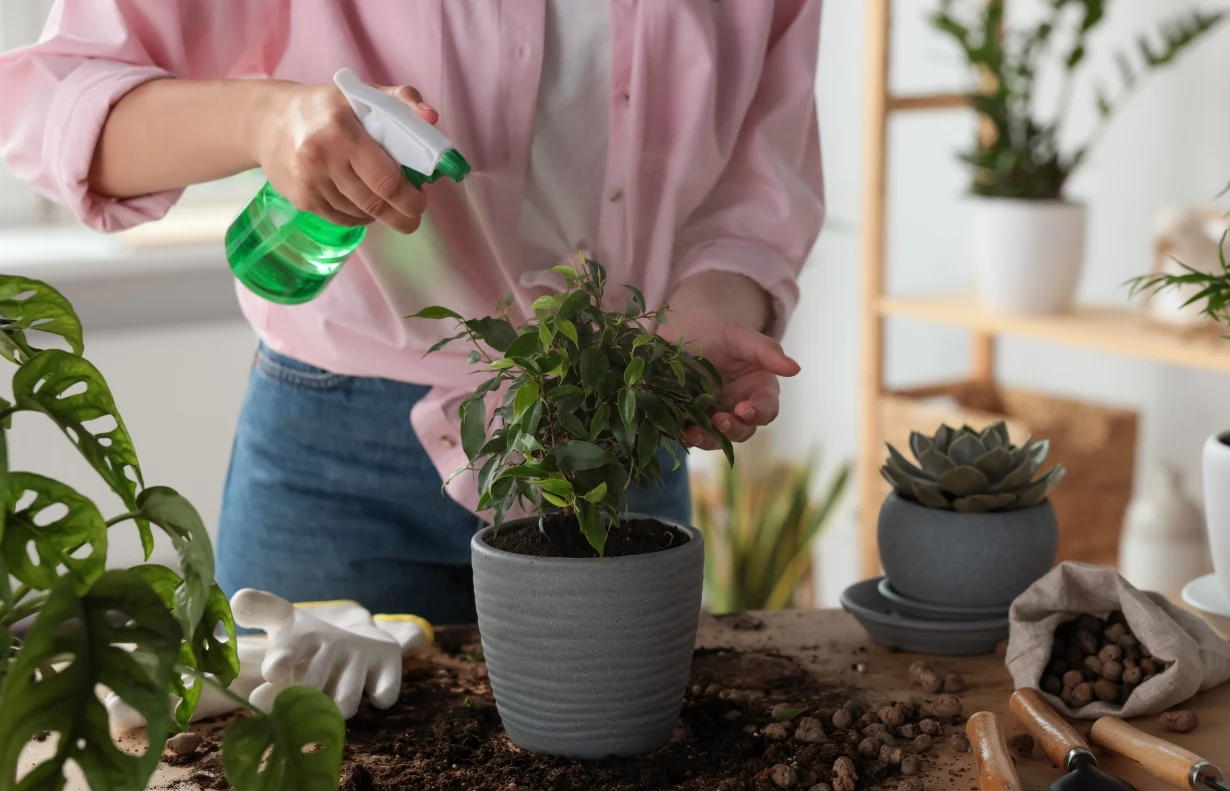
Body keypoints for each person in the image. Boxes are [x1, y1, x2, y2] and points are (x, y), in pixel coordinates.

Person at [0, 0, 825, 624]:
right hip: (342, 463)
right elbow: (55, 100)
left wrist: (712, 311)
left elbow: (756, 185)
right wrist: (268, 119)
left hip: (620, 444)